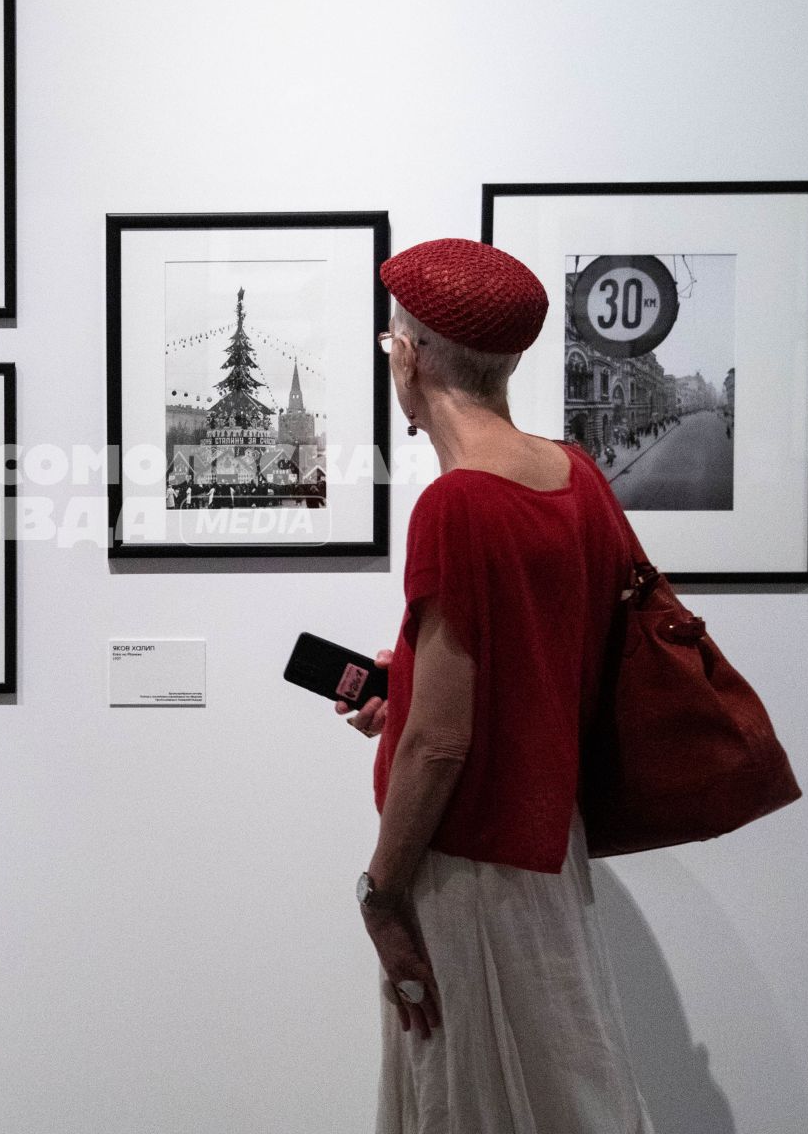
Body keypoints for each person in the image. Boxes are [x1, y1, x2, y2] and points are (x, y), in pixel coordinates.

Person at [337, 238, 654, 1132]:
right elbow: (548, 661)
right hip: (549, 853)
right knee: (563, 1091)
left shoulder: (457, 502)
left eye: (390, 341)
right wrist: (410, 682)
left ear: (414, 354)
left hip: (466, 871)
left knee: (467, 1103)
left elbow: (441, 743)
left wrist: (383, 892)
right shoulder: (578, 478)